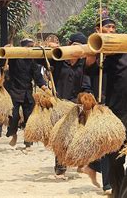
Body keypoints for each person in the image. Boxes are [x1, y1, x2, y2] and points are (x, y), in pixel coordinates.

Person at [85, 17, 127, 198]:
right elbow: (91, 70)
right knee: (115, 162)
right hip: (116, 122)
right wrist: (92, 51)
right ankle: (118, 193)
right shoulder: (117, 57)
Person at [45, 33, 92, 179]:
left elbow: (87, 84)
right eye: (73, 46)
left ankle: (80, 163)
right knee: (62, 136)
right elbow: (39, 59)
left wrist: (86, 97)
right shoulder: (58, 61)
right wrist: (47, 48)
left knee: (77, 136)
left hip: (77, 105)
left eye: (80, 48)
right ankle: (60, 168)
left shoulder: (84, 65)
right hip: (60, 104)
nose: (75, 50)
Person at [0, 38, 48, 147]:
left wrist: (46, 89)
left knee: (29, 118)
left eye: (32, 46)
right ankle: (13, 134)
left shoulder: (32, 60)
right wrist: (3, 51)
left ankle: (28, 142)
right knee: (13, 117)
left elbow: (38, 77)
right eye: (29, 46)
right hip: (13, 91)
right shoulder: (14, 57)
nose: (31, 49)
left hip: (27, 93)